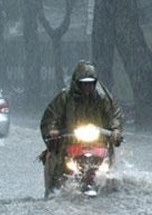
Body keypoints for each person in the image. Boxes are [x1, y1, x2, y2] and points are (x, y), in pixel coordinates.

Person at [40, 60, 124, 198]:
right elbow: (50, 117)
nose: (88, 87)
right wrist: (53, 130)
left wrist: (116, 130)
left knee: (111, 172)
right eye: (84, 83)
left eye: (91, 83)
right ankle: (52, 191)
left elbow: (115, 115)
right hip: (68, 143)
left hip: (99, 143)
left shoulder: (103, 99)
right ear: (77, 83)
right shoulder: (64, 98)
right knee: (54, 163)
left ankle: (112, 190)